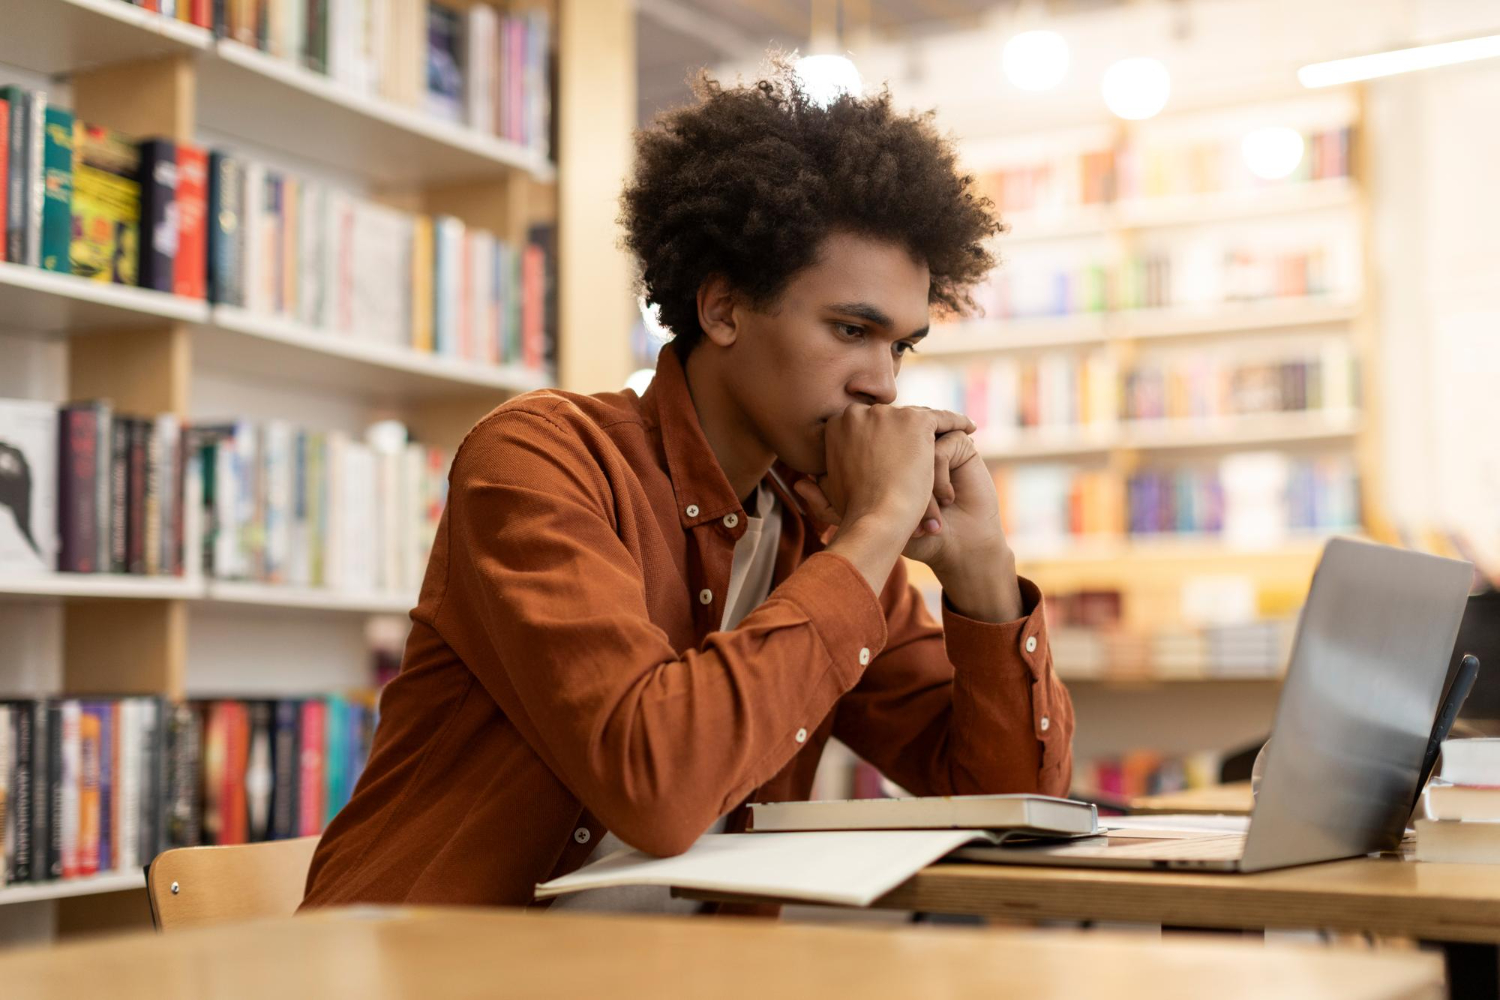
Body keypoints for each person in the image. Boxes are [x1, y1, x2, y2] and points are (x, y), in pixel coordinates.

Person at [299, 58, 1074, 914]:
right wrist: (879, 526)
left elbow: (1015, 810)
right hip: (436, 968)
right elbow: (658, 784)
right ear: (724, 309)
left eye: (901, 346)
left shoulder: (824, 529)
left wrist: (982, 579)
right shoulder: (540, 459)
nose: (883, 385)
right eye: (852, 329)